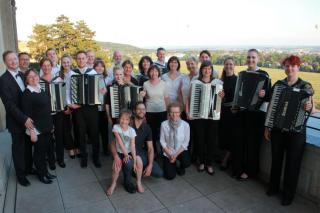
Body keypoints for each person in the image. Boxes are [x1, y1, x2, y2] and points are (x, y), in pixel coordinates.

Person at [264, 55, 314, 206]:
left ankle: (288, 195)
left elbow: (311, 109)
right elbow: (271, 108)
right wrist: (268, 126)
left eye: (293, 66)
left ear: (298, 67)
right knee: (276, 160)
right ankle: (273, 187)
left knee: (293, 164)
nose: (289, 68)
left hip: (296, 132)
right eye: (286, 66)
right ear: (284, 68)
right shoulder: (278, 85)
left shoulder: (306, 87)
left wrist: (309, 107)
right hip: (278, 129)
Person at [234, 49, 271, 180]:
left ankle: (250, 171)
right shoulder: (242, 74)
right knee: (240, 142)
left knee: (252, 144)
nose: (251, 60)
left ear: (258, 59)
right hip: (243, 112)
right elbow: (238, 93)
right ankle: (238, 168)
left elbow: (269, 97)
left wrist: (264, 94)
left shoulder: (264, 75)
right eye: (249, 57)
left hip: (257, 115)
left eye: (253, 58)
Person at [110, 102, 163, 193]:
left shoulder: (147, 127)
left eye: (143, 109)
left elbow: (150, 148)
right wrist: (115, 156)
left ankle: (137, 175)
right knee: (128, 162)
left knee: (159, 173)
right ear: (134, 111)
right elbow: (113, 143)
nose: (141, 111)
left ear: (145, 111)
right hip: (126, 151)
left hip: (139, 152)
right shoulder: (126, 122)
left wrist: (150, 165)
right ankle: (127, 181)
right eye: (139, 109)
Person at [0, 51, 33, 186]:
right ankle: (21, 175)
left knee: (28, 146)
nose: (13, 61)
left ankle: (29, 168)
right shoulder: (3, 80)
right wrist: (24, 119)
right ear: (5, 62)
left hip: (28, 119)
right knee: (18, 149)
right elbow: (9, 105)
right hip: (16, 121)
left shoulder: (21, 74)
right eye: (10, 60)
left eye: (14, 58)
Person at [185, 60, 224, 175]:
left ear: (212, 70)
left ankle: (209, 163)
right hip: (198, 116)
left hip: (212, 116)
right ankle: (201, 162)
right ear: (201, 69)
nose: (207, 71)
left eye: (209, 69)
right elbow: (189, 98)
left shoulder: (217, 82)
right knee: (200, 140)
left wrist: (222, 95)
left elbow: (221, 99)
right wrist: (188, 113)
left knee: (211, 141)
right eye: (205, 68)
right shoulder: (195, 82)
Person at [66, 51, 101, 168]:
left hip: (92, 108)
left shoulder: (93, 72)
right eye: (79, 58)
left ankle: (96, 157)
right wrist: (70, 104)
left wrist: (101, 93)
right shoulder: (71, 73)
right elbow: (67, 91)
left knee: (94, 133)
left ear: (87, 60)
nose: (81, 60)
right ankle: (84, 157)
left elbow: (100, 89)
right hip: (78, 108)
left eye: (83, 58)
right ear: (76, 60)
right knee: (80, 133)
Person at [21, 69, 56, 184]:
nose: (33, 78)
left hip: (47, 126)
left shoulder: (41, 89)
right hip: (37, 129)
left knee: (45, 151)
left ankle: (46, 172)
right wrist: (32, 131)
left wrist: (51, 125)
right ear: (26, 80)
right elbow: (27, 116)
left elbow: (47, 110)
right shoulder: (27, 94)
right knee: (39, 153)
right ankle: (42, 175)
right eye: (30, 77)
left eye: (35, 75)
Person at [107, 110, 144, 196]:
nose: (124, 121)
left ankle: (138, 182)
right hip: (120, 152)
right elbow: (119, 141)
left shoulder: (132, 131)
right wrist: (125, 154)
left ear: (129, 121)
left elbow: (132, 146)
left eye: (126, 119)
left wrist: (134, 162)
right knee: (116, 166)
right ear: (119, 119)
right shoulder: (116, 127)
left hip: (130, 151)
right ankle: (113, 184)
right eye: (122, 119)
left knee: (139, 162)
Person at [40, 57, 66, 169]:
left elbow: (63, 96)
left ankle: (60, 159)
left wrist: (65, 107)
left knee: (59, 136)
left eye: (48, 65)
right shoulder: (38, 81)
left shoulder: (58, 79)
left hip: (58, 113)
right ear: (41, 67)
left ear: (52, 67)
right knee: (48, 138)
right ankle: (51, 160)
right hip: (45, 115)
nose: (46, 67)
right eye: (44, 66)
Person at [160, 102, 191, 180]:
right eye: (172, 112)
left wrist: (175, 155)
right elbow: (162, 141)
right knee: (170, 176)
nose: (174, 115)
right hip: (168, 150)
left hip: (180, 150)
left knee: (186, 162)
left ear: (180, 112)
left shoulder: (185, 125)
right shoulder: (164, 124)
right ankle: (172, 164)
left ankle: (180, 166)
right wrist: (169, 153)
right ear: (169, 113)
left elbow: (185, 143)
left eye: (177, 112)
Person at [143, 65, 170, 154]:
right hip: (149, 112)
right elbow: (144, 98)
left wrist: (168, 112)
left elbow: (166, 98)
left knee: (163, 133)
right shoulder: (145, 84)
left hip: (162, 111)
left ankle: (164, 151)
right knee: (152, 133)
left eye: (155, 71)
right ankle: (153, 151)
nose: (154, 73)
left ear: (158, 72)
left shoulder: (163, 84)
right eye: (151, 71)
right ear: (149, 73)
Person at [219, 58, 239, 171]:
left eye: (231, 64)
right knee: (223, 136)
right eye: (226, 64)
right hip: (222, 111)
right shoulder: (220, 80)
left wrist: (236, 108)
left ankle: (225, 161)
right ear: (224, 65)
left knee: (231, 137)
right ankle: (223, 157)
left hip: (233, 112)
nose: (228, 66)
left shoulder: (238, 80)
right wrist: (220, 97)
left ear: (234, 65)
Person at [59, 54, 78, 159]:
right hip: (65, 105)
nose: (66, 64)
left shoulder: (75, 74)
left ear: (70, 62)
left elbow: (75, 92)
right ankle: (71, 148)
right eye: (64, 62)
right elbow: (61, 93)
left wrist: (73, 105)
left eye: (67, 62)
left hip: (75, 105)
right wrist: (67, 106)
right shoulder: (59, 76)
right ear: (61, 64)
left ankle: (77, 147)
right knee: (67, 128)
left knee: (77, 127)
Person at [179, 57, 198, 162]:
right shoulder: (184, 77)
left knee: (196, 134)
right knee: (185, 134)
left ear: (197, 63)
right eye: (188, 64)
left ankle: (195, 156)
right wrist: (183, 106)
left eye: (192, 64)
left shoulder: (201, 76)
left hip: (196, 110)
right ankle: (186, 157)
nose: (190, 66)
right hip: (185, 109)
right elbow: (179, 92)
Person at [93, 59, 110, 155]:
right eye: (97, 66)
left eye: (102, 66)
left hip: (104, 108)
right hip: (95, 108)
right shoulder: (92, 77)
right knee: (95, 130)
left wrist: (106, 90)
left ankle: (105, 149)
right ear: (94, 67)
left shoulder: (108, 79)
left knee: (104, 130)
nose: (100, 68)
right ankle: (96, 150)